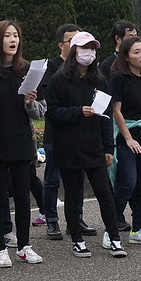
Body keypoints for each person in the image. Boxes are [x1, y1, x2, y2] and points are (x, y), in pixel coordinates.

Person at [45, 31, 127, 258]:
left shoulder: (99, 79)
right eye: (84, 48)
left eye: (92, 48)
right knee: (73, 194)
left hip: (93, 146)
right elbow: (51, 113)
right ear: (74, 51)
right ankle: (77, 240)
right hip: (68, 145)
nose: (88, 53)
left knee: (105, 193)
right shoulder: (59, 80)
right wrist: (77, 112)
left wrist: (108, 147)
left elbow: (106, 114)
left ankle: (115, 238)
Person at [0, 20, 46, 266]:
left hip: (21, 141)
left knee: (23, 195)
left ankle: (24, 246)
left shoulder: (28, 70)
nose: (13, 40)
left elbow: (40, 112)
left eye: (16, 35)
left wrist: (30, 103)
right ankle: (0, 248)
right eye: (7, 35)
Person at [39, 24, 97, 241]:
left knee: (77, 181)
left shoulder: (88, 69)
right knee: (53, 179)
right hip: (56, 134)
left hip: (81, 134)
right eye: (71, 41)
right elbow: (50, 103)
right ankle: (51, 221)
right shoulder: (52, 68)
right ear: (61, 45)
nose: (77, 45)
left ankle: (76, 219)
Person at [108, 35, 141, 245]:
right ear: (126, 57)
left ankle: (138, 229)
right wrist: (128, 138)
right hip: (125, 136)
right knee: (127, 183)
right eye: (136, 52)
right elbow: (116, 111)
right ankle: (110, 230)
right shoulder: (118, 78)